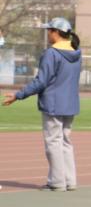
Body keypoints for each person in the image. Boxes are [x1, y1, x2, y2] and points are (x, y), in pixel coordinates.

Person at [3, 17, 83, 191]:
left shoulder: (51, 53)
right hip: (70, 104)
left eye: (49, 30)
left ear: (56, 32)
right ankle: (70, 181)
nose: (48, 34)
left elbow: (41, 81)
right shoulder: (77, 53)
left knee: (53, 142)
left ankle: (57, 182)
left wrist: (18, 95)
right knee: (65, 142)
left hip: (53, 104)